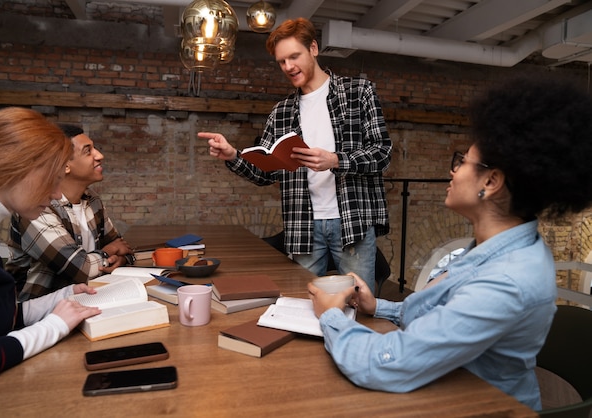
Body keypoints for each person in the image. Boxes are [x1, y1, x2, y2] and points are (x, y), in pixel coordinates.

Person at [307, 75, 592, 411]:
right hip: (453, 391)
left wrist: (331, 316)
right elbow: (448, 317)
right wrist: (378, 307)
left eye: (462, 161)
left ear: (491, 181)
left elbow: (386, 363)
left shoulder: (507, 280)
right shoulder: (496, 248)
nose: (454, 172)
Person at [200, 18, 392, 293]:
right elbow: (264, 173)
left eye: (294, 56)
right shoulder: (281, 112)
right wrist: (233, 155)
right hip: (303, 225)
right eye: (281, 61)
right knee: (300, 303)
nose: (288, 67)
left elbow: (382, 153)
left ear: (313, 48)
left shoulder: (358, 93)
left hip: (352, 222)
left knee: (359, 304)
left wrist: (336, 160)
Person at [0, 107, 101, 407]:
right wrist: (53, 326)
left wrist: (60, 298)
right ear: (16, 168)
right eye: (51, 179)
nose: (55, 194)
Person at [6, 124, 135, 301]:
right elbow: (80, 269)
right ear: (65, 165)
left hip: (88, 300)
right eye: (88, 151)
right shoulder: (36, 207)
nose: (100, 155)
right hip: (38, 317)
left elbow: (123, 247)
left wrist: (121, 261)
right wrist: (108, 253)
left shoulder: (92, 199)